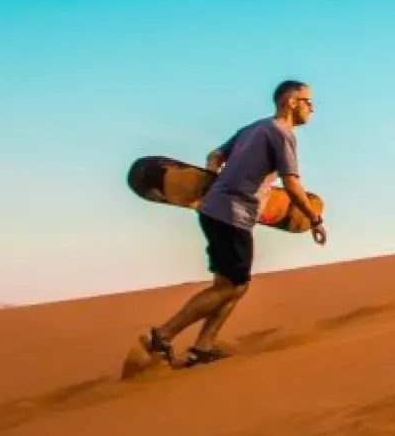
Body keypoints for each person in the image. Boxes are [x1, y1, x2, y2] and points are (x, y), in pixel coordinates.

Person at [129, 78, 327, 372]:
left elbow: (215, 155)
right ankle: (162, 336)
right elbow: (292, 184)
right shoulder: (281, 134)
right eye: (309, 102)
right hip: (232, 215)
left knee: (235, 285)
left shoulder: (253, 128)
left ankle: (204, 346)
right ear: (290, 102)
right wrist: (313, 218)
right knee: (229, 286)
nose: (313, 108)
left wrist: (213, 180)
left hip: (218, 211)